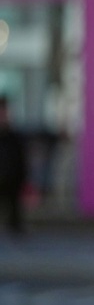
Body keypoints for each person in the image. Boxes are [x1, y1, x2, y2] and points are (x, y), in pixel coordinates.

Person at [0, 96, 27, 236]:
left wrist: (23, 178)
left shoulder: (13, 137)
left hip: (11, 179)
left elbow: (20, 160)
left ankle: (14, 227)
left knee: (13, 207)